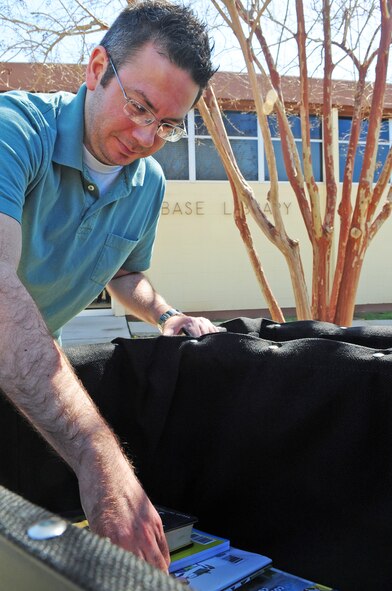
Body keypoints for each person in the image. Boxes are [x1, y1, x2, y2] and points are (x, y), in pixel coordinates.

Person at [0, 0, 217, 572]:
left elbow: (124, 273)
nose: (147, 135)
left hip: (21, 389)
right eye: (140, 106)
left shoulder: (148, 185)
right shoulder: (14, 131)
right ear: (97, 68)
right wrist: (101, 458)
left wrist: (166, 316)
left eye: (168, 125)